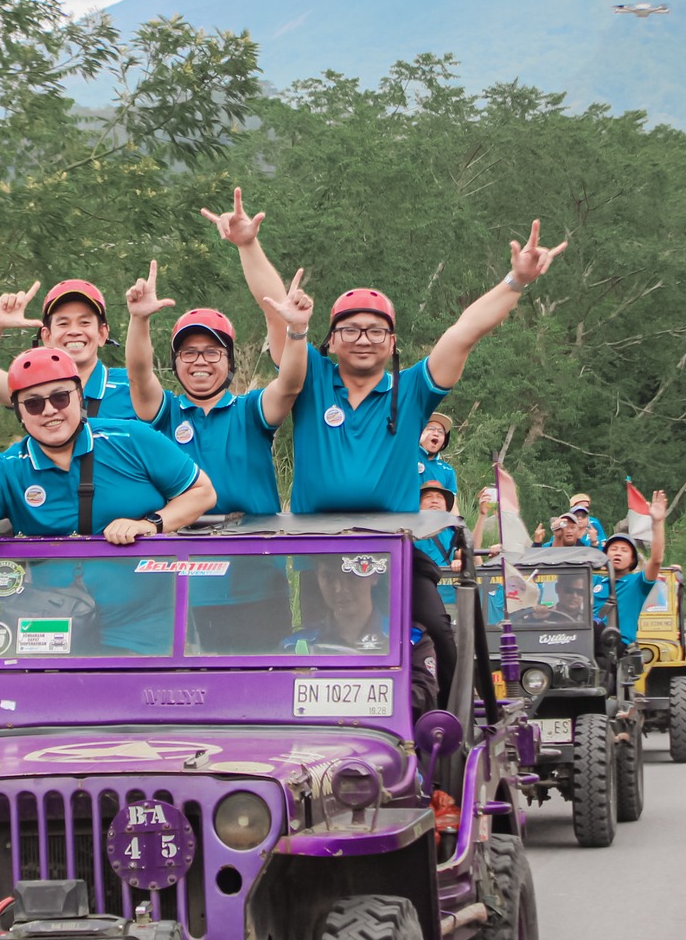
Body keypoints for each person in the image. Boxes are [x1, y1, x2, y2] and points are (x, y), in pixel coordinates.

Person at [207, 186, 567, 701]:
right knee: (322, 652)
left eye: (377, 331)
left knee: (440, 634)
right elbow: (278, 311)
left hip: (396, 548)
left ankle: (441, 732)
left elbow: (465, 331)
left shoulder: (413, 389)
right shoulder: (310, 378)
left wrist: (517, 280)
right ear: (329, 341)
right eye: (350, 330)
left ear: (393, 344)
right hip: (321, 552)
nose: (363, 338)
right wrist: (247, 244)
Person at [0, 347, 216, 541]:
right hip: (52, 621)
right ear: (19, 412)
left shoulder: (131, 438)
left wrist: (151, 524)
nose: (49, 410)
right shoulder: (12, 468)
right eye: (34, 404)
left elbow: (201, 492)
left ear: (79, 398)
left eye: (60, 397)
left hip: (145, 612)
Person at [122, 259, 312, 516]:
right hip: (179, 546)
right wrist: (139, 319)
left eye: (212, 352)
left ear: (229, 361)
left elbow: (290, 385)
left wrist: (297, 329)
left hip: (254, 547)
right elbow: (139, 375)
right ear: (175, 362)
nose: (200, 361)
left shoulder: (251, 412)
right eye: (188, 353)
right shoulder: (165, 413)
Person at [0, 279, 136, 419]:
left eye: (84, 322)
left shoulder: (132, 385)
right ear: (47, 337)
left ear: (102, 334)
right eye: (63, 323)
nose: (74, 331)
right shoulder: (35, 388)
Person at [593, 489, 669, 637]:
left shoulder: (638, 583)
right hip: (588, 646)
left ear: (633, 559)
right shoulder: (594, 581)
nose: (618, 553)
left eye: (624, 550)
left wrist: (657, 523)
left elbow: (656, 560)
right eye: (613, 549)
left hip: (618, 647)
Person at [417, 411, 458, 497]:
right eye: (431, 429)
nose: (436, 433)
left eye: (440, 432)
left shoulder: (447, 470)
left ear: (443, 442)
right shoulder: (406, 456)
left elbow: (452, 506)